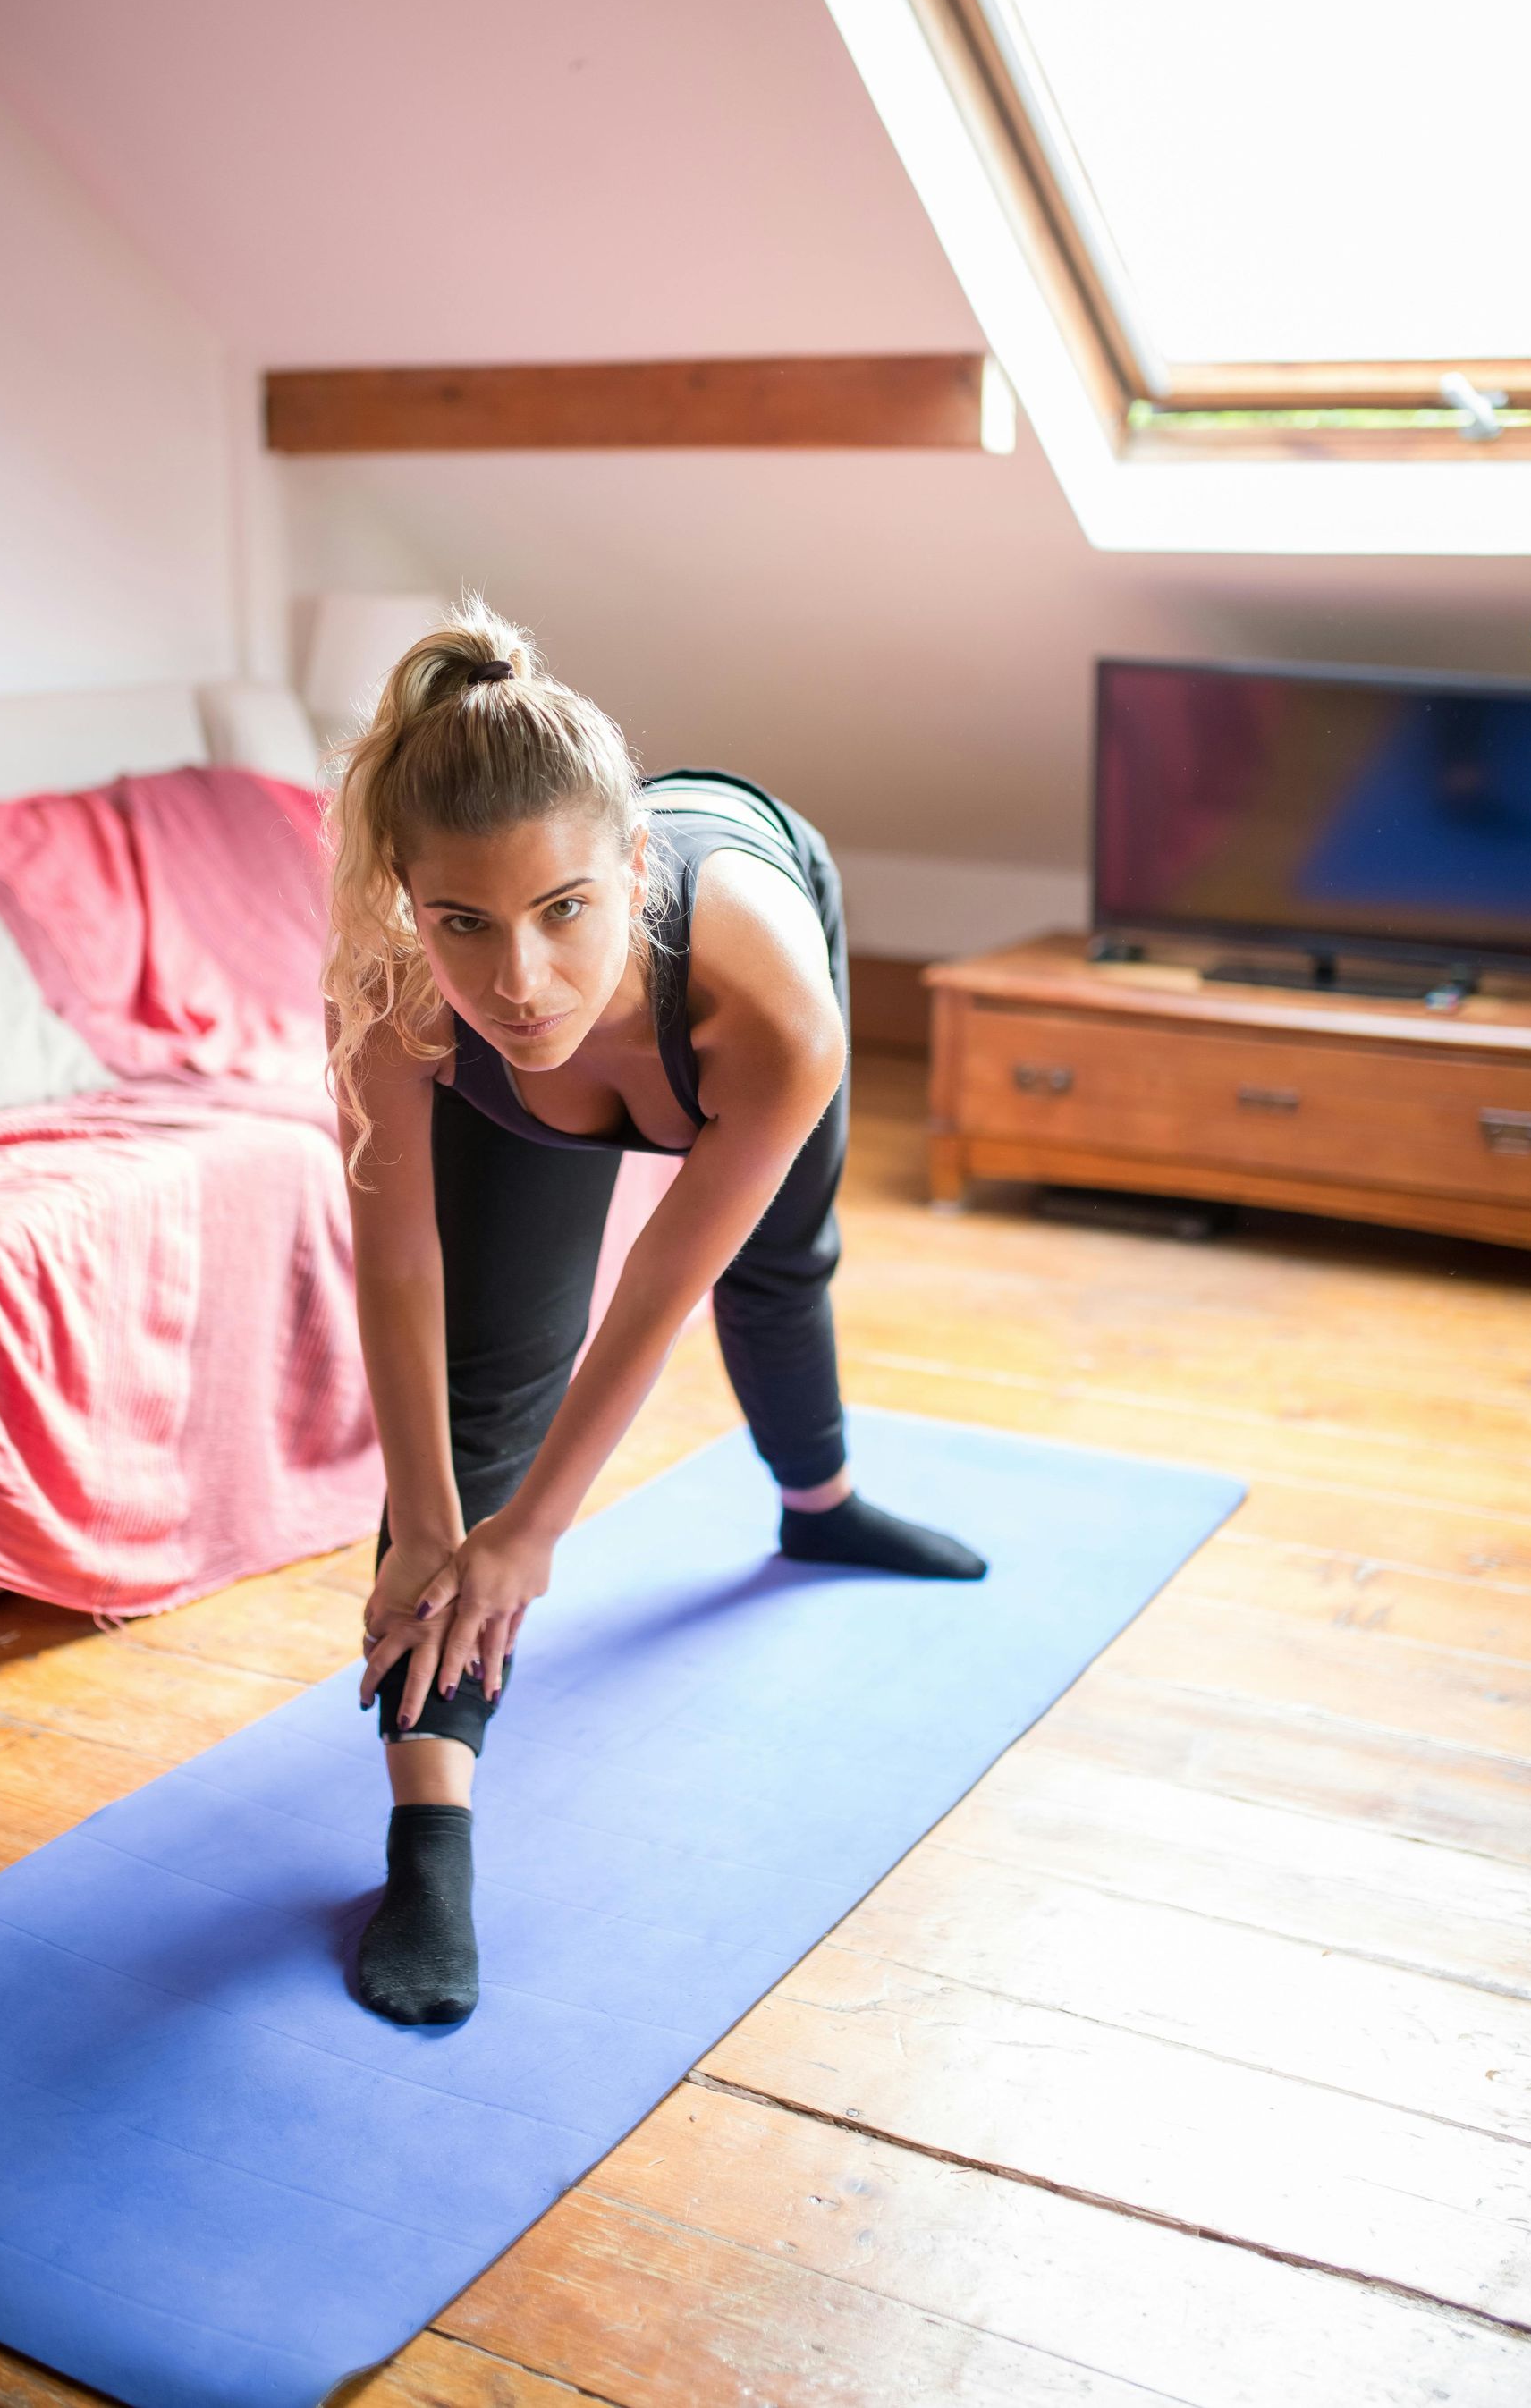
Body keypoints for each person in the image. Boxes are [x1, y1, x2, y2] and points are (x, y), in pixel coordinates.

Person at [323, 597, 984, 2026]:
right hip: (542, 1064)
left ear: (630, 867)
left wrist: (536, 1539)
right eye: (464, 924)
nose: (519, 980)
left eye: (565, 912)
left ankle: (822, 1501)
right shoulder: (403, 1002)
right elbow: (400, 1271)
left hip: (742, 925)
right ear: (410, 902)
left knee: (773, 1262)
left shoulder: (772, 1010)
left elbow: (659, 1288)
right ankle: (428, 1838)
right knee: (486, 1387)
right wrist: (440, 1526)